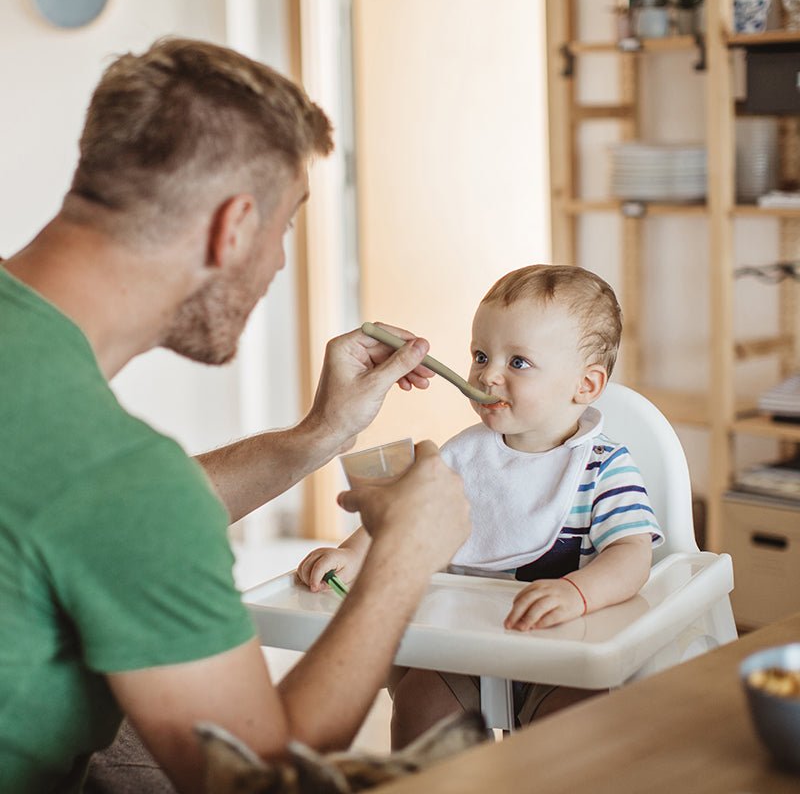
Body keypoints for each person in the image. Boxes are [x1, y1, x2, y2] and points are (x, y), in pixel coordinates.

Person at [0, 38, 471, 794]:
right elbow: (258, 778)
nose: (281, 263)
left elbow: (88, 516)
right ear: (233, 227)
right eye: (284, 228)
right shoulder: (118, 481)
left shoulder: (78, 451)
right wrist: (403, 557)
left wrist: (318, 437)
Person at [297, 264, 664, 747]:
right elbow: (402, 515)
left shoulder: (602, 467)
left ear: (586, 385)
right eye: (481, 354)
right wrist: (351, 552)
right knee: (420, 704)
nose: (487, 374)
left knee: (573, 727)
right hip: (461, 646)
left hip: (559, 650)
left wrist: (577, 593)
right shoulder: (464, 454)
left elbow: (632, 553)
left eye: (518, 363)